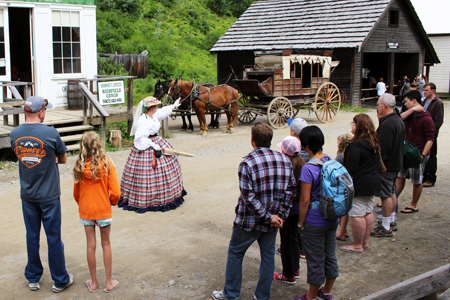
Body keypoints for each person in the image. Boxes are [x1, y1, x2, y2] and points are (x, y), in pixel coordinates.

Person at [212, 122, 295, 300]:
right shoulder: (284, 160)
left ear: (252, 139)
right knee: (268, 256)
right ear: (270, 140)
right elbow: (291, 190)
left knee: (235, 253)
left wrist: (268, 217)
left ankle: (230, 294)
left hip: (249, 221)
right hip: (273, 219)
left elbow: (248, 196)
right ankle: (262, 296)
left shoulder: (247, 163)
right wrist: (279, 216)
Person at [10, 96, 74, 293]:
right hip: (49, 196)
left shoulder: (15, 133)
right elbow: (63, 158)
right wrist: (49, 157)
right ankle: (60, 279)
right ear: (40, 112)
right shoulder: (50, 133)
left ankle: (33, 278)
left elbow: (21, 157)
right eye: (45, 110)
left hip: (28, 195)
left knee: (32, 236)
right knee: (53, 237)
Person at [118, 96, 186, 213]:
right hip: (147, 146)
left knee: (170, 161)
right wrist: (154, 146)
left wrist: (174, 105)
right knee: (146, 173)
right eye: (156, 105)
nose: (158, 107)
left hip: (157, 141)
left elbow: (163, 112)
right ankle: (149, 200)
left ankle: (166, 195)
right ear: (152, 107)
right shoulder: (143, 120)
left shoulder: (153, 114)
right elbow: (140, 138)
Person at [73, 131, 121, 293]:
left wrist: (83, 204)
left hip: (86, 212)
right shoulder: (107, 163)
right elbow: (115, 192)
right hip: (103, 210)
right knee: (106, 243)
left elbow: (76, 194)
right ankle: (109, 282)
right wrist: (111, 203)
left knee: (90, 245)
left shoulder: (79, 165)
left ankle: (93, 282)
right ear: (99, 144)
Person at [294, 126, 338, 300]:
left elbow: (305, 200)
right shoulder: (331, 161)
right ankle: (326, 292)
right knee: (330, 256)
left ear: (305, 146)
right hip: (332, 218)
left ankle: (311, 297)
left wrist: (301, 223)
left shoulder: (308, 169)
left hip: (315, 220)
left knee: (315, 260)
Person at [340, 114, 381, 253]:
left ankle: (357, 245)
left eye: (353, 123)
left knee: (357, 214)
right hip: (372, 181)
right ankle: (365, 242)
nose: (352, 125)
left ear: (358, 126)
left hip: (360, 183)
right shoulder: (373, 142)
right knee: (368, 211)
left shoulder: (355, 146)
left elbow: (351, 168)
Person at [371, 93, 405, 236]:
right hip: (396, 162)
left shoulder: (388, 124)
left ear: (384, 106)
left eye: (378, 104)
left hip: (387, 165)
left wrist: (378, 165)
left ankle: (385, 227)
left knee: (385, 195)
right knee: (391, 192)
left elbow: (383, 148)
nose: (377, 107)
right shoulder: (398, 119)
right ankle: (391, 220)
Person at [273, 136, 305, 285]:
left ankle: (288, 274)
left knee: (285, 241)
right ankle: (295, 269)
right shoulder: (302, 163)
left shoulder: (285, 165)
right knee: (294, 237)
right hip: (299, 209)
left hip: (287, 209)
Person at [397, 91, 434, 214]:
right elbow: (398, 118)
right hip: (407, 152)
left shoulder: (427, 118)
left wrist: (423, 155)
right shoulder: (411, 114)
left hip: (418, 153)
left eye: (406, 101)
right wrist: (412, 110)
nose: (405, 104)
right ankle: (392, 199)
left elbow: (430, 140)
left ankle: (413, 204)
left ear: (414, 101)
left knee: (417, 180)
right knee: (400, 176)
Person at [421, 83, 444, 188]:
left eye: (427, 90)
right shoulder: (425, 101)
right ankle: (424, 176)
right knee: (424, 155)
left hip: (431, 134)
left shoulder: (437, 103)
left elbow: (438, 120)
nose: (425, 92)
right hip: (423, 133)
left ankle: (431, 177)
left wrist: (432, 132)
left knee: (431, 156)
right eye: (424, 90)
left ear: (433, 91)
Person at [335, 133, 353, 241]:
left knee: (342, 210)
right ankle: (343, 230)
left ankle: (342, 231)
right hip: (348, 184)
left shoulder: (340, 156)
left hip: (342, 185)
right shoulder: (349, 154)